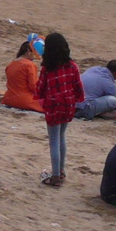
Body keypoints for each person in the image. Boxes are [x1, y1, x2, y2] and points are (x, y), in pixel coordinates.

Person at [36, 33, 83, 185]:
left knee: (54, 140)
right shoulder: (72, 66)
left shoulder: (47, 69)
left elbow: (40, 88)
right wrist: (77, 100)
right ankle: (61, 171)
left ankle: (55, 176)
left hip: (54, 104)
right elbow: (78, 86)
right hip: (68, 103)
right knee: (62, 136)